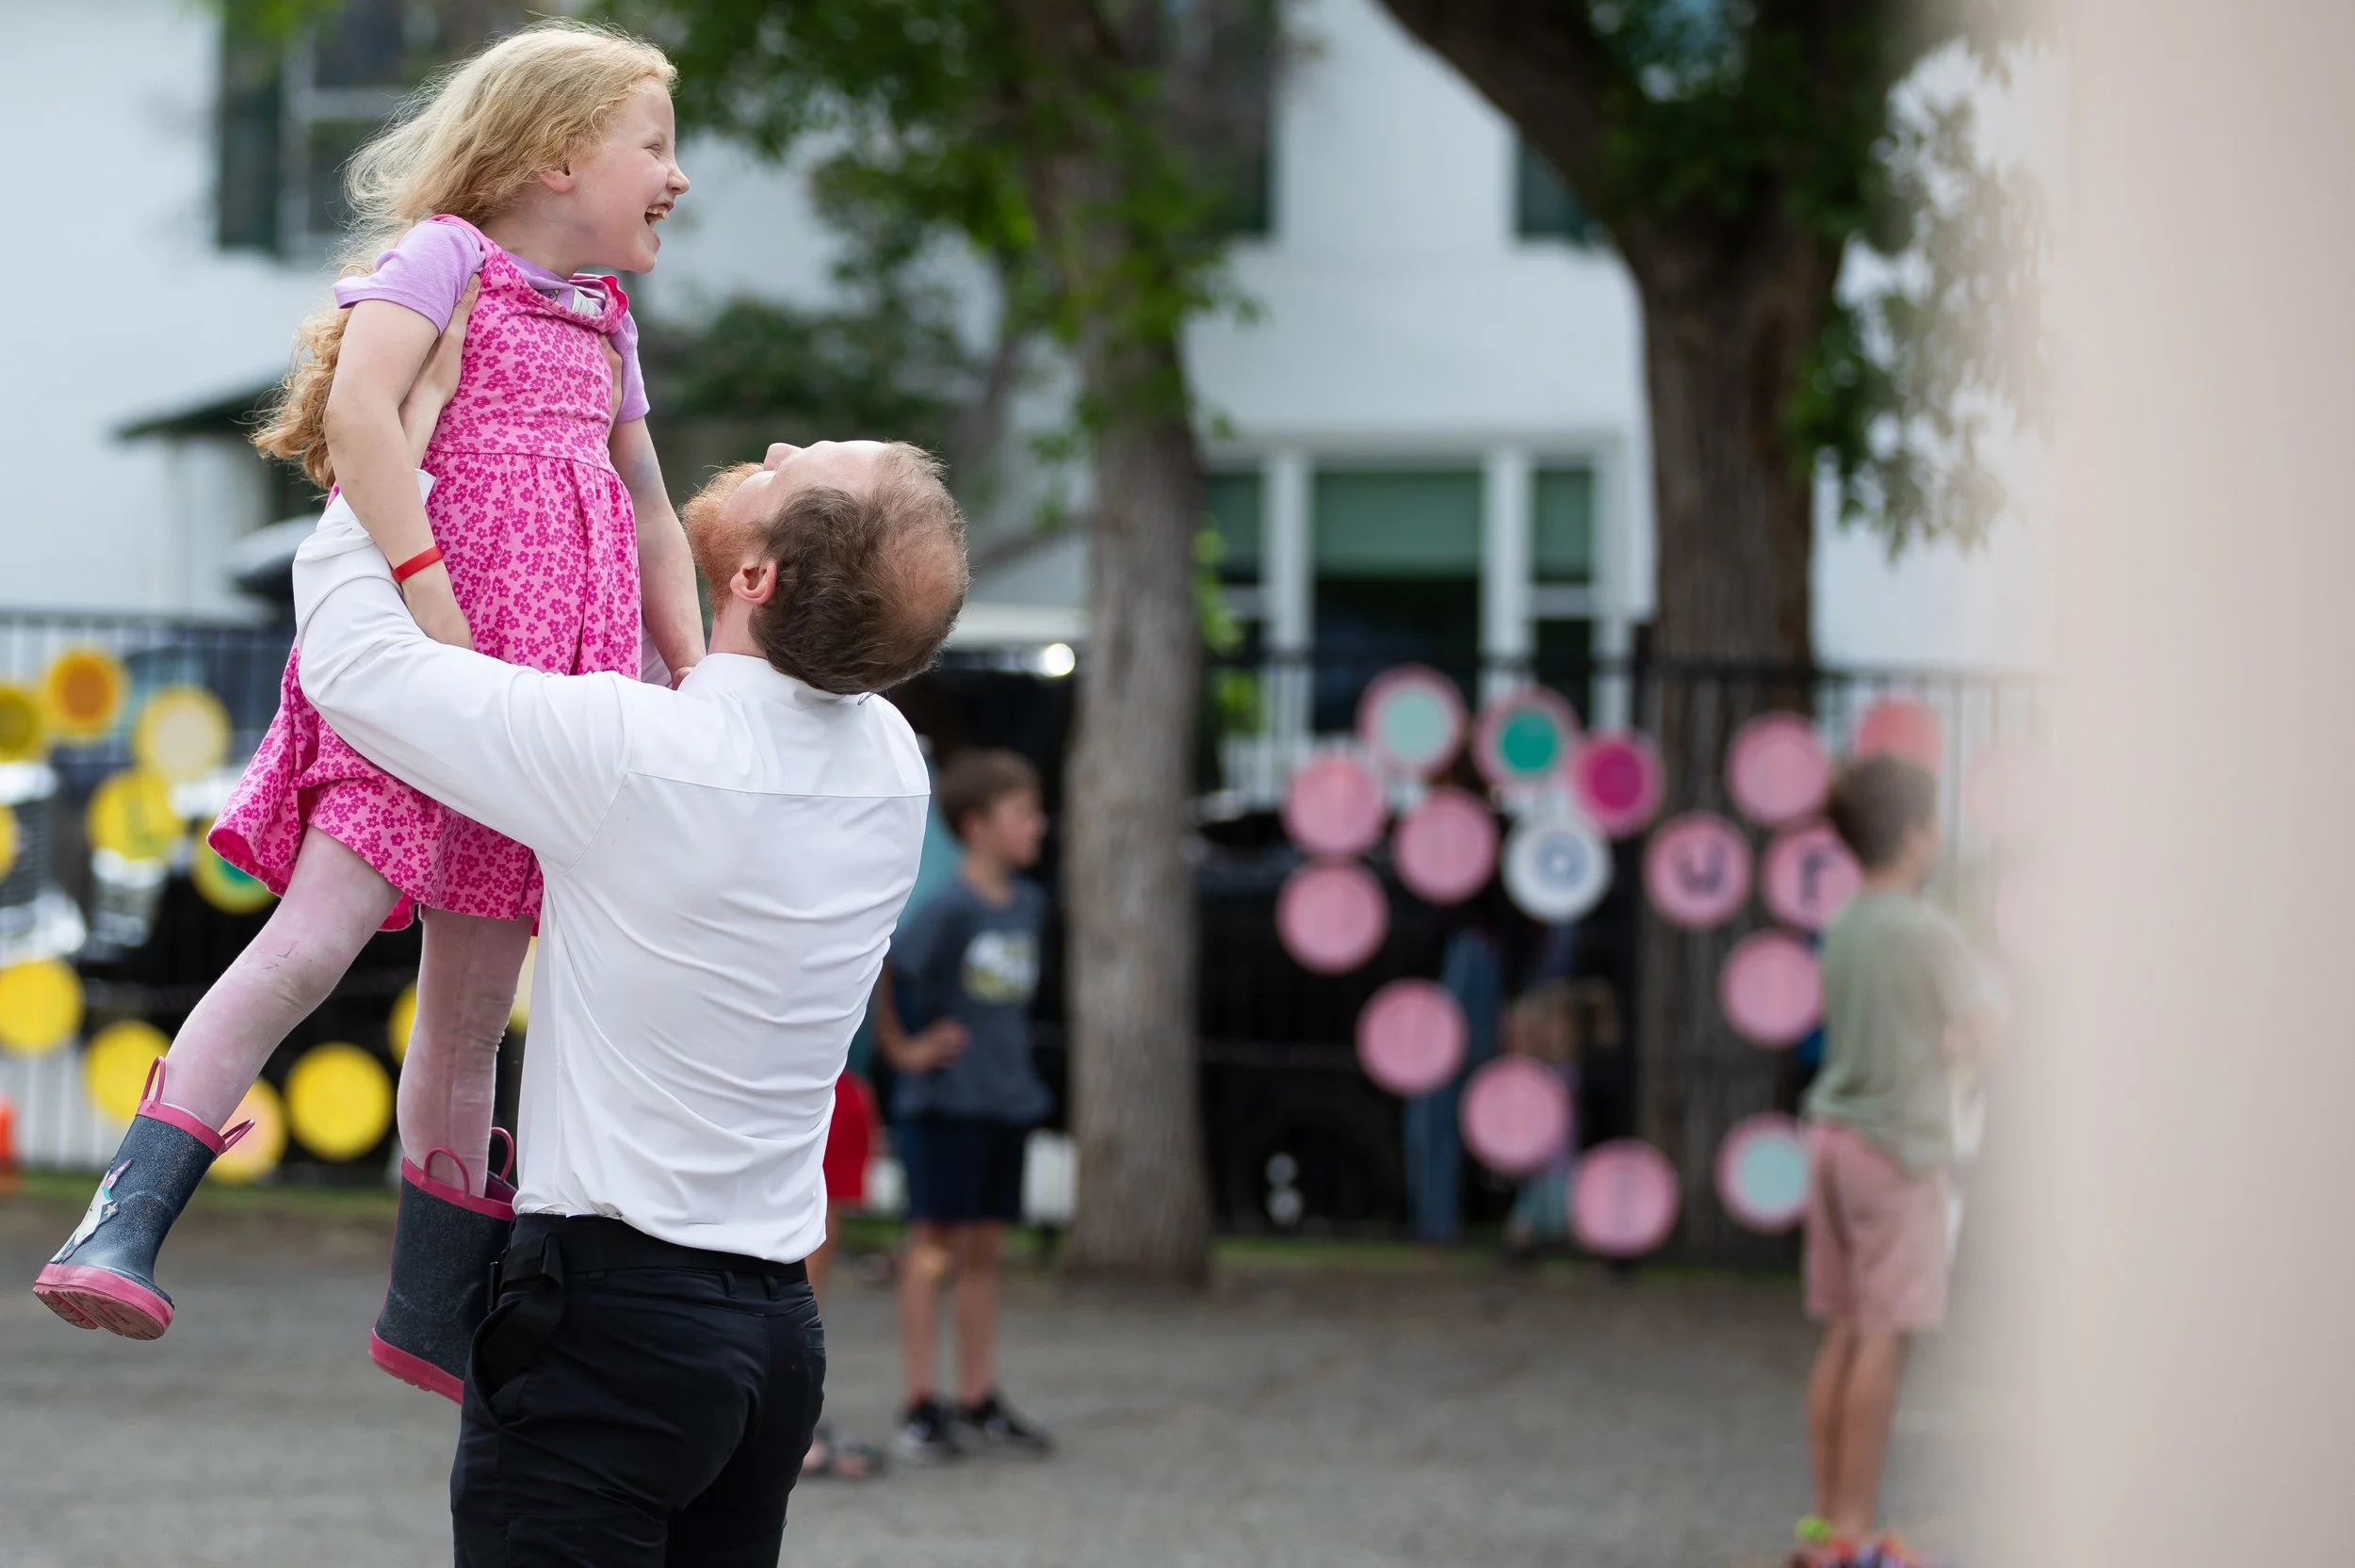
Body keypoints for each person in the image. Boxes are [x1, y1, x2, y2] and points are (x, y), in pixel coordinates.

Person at [32, 22, 706, 1402]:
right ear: (556, 154)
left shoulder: (606, 320)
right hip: (422, 685)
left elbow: (646, 509)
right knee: (316, 936)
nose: (676, 177)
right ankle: (126, 1214)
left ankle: (432, 1307)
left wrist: (692, 675)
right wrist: (427, 603)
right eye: (657, 144)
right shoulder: (447, 259)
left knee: (470, 1014)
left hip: (542, 709)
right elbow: (362, 413)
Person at [1793, 754, 2000, 1568]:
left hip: (1832, 1140)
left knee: (1843, 1328)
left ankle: (1823, 1524)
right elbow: (1989, 1035)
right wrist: (1964, 1052)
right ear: (1915, 834)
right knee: (1888, 1333)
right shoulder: (1929, 929)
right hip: (1896, 1151)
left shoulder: (1845, 923)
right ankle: (1855, 1534)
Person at [869, 748, 1056, 1461]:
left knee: (985, 1249)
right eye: (1023, 813)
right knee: (932, 1249)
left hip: (1004, 1101)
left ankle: (977, 1396)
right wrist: (905, 1050)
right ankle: (921, 1401)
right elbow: (891, 965)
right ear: (976, 826)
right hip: (944, 1105)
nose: (1038, 825)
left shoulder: (1031, 904)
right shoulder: (948, 906)